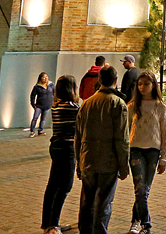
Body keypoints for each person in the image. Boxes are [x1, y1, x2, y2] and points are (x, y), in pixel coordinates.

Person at [74, 66, 129, 234]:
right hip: (108, 161)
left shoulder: (86, 104)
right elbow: (122, 139)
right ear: (116, 80)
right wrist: (124, 166)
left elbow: (78, 136)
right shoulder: (118, 104)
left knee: (87, 201)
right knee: (104, 202)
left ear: (99, 80)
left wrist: (78, 163)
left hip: (87, 158)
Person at [127, 71, 166, 234]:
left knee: (144, 190)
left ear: (153, 85)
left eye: (146, 84)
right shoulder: (132, 106)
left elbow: (165, 132)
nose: (142, 87)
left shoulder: (160, 106)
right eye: (139, 84)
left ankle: (136, 222)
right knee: (139, 189)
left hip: (153, 151)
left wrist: (165, 158)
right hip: (135, 149)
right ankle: (146, 224)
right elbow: (125, 130)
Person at [42, 75, 81, 234]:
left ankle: (48, 224)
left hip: (56, 146)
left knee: (53, 185)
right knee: (64, 186)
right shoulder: (74, 107)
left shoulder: (56, 106)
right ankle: (53, 225)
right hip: (67, 148)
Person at [30, 72, 55, 138]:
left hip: (47, 105)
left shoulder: (51, 85)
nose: (45, 78)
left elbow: (54, 93)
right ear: (40, 78)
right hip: (39, 105)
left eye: (46, 77)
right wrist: (33, 104)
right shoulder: (37, 87)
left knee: (43, 119)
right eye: (44, 77)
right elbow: (32, 96)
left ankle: (40, 130)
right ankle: (32, 131)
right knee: (35, 118)